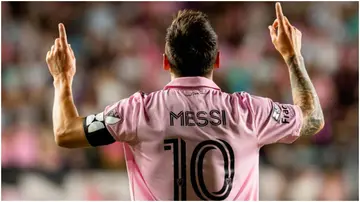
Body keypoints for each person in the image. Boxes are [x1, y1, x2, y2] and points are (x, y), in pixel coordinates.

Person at [45, 2, 324, 200]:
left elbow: (66, 132)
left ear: (166, 61)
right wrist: (292, 56)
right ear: (216, 59)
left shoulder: (138, 111)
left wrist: (62, 79)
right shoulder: (248, 112)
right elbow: (312, 118)